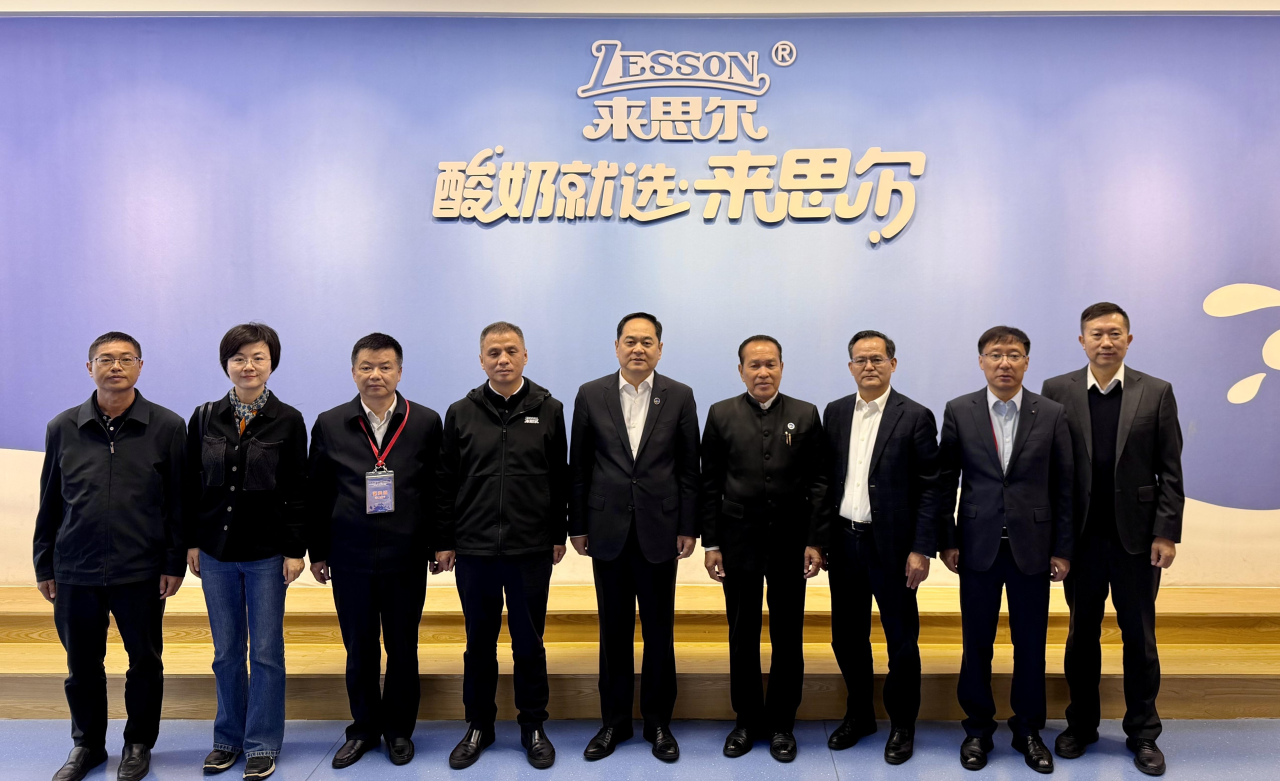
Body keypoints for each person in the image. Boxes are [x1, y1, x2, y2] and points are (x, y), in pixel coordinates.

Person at [34, 332, 187, 781]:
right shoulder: (63, 426)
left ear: (140, 366)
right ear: (90, 368)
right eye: (105, 359)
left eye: (125, 359)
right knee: (81, 665)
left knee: (145, 661)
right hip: (75, 567)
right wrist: (45, 563)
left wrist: (173, 562)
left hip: (141, 568)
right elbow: (50, 500)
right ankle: (87, 745)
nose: (115, 366)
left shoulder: (167, 426)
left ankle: (138, 743)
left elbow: (178, 502)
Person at [1041, 303, 1183, 777]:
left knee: (1139, 638)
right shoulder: (1057, 390)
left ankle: (1143, 733)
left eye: (1115, 333)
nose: (1106, 342)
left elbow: (1170, 470)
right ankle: (1080, 725)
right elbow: (1050, 470)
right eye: (1097, 334)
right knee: (1081, 636)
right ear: (1082, 340)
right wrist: (1055, 540)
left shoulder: (1156, 391)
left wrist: (1166, 532)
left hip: (1137, 541)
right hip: (1080, 541)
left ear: (1129, 339)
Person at [938, 325, 1073, 774]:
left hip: (1033, 549)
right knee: (976, 643)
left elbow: (1065, 486)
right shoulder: (959, 410)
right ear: (981, 361)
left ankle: (1028, 729)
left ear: (1027, 362)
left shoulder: (1051, 413)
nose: (1004, 363)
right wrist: (948, 540)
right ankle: (977, 729)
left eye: (1014, 354)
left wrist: (1062, 548)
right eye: (995, 354)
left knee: (1030, 644)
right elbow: (945, 482)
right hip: (976, 548)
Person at [307, 333, 443, 769]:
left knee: (403, 646)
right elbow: (317, 493)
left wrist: (441, 542)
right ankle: (364, 729)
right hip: (350, 556)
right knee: (360, 648)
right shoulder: (330, 423)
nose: (376, 375)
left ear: (399, 372)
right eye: (366, 367)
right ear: (353, 372)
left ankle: (399, 730)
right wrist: (318, 552)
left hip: (406, 554)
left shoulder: (425, 421)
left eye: (385, 367)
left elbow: (438, 489)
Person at [436, 322, 569, 770]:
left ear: (525, 356)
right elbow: (445, 482)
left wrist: (557, 535)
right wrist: (445, 540)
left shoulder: (549, 409)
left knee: (529, 643)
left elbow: (560, 478)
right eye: (493, 352)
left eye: (511, 350)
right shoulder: (461, 412)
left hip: (530, 549)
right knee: (479, 644)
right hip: (474, 550)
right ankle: (479, 725)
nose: (503, 359)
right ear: (481, 360)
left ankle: (533, 726)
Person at [569, 312, 700, 762]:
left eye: (647, 341)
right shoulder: (591, 394)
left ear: (660, 349)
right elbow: (579, 466)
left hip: (660, 531)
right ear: (617, 347)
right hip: (606, 531)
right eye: (630, 341)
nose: (638, 348)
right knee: (614, 632)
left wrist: (688, 526)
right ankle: (614, 723)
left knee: (660, 632)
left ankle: (659, 723)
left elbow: (689, 468)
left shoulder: (679, 395)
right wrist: (577, 525)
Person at [183, 323, 307, 780]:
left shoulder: (289, 419)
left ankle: (262, 744)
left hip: (267, 554)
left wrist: (295, 550)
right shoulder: (204, 417)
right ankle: (226, 740)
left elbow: (297, 490)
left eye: (258, 357)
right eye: (239, 358)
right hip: (215, 553)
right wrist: (192, 542)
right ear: (227, 365)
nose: (248, 366)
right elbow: (191, 486)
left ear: (271, 363)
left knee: (267, 653)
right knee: (227, 652)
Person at [699, 335, 828, 762]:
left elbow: (819, 482)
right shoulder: (720, 414)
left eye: (770, 364)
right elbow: (709, 483)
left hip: (791, 542)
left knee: (787, 635)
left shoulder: (806, 414)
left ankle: (782, 724)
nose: (763, 372)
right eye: (754, 365)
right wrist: (711, 543)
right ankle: (746, 721)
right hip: (737, 541)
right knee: (742, 634)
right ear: (741, 371)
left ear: (782, 368)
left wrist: (814, 540)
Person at [822, 330, 943, 765]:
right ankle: (860, 715)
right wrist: (819, 539)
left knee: (901, 641)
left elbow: (931, 488)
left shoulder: (916, 416)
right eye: (861, 359)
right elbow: (825, 481)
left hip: (894, 548)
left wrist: (921, 548)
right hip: (844, 542)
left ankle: (902, 724)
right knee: (847, 638)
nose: (869, 366)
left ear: (893, 364)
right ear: (850, 367)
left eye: (877, 358)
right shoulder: (835, 412)